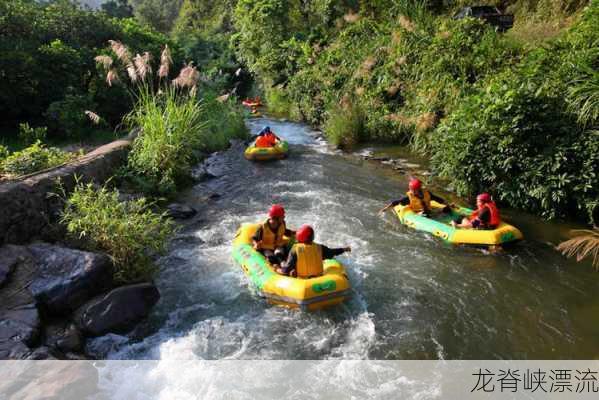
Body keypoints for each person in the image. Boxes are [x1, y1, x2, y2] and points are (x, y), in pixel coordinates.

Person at [277, 225, 351, 278]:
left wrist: (278, 269)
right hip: (319, 277)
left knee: (290, 269)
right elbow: (332, 252)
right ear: (312, 237)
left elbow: (286, 269)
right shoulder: (319, 247)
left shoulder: (295, 249)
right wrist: (344, 249)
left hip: (302, 281)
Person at [379, 178, 450, 216]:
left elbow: (437, 199)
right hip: (418, 213)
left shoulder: (427, 193)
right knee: (425, 214)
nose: (411, 190)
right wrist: (385, 209)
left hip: (428, 210)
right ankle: (432, 215)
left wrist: (447, 204)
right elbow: (397, 202)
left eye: (412, 189)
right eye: (411, 189)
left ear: (418, 189)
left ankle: (437, 214)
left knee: (447, 209)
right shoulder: (409, 197)